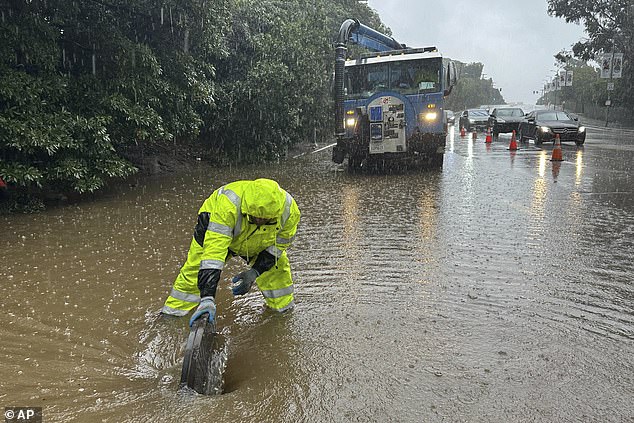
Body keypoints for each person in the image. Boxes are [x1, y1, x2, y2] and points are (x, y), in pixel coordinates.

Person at [161, 178, 301, 326]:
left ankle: (283, 316)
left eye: (265, 219)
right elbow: (213, 254)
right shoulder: (227, 205)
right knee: (194, 272)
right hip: (214, 229)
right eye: (255, 217)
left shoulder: (290, 212)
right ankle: (171, 317)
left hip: (262, 240)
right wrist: (207, 297)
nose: (259, 220)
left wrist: (255, 271)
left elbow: (277, 249)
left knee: (277, 274)